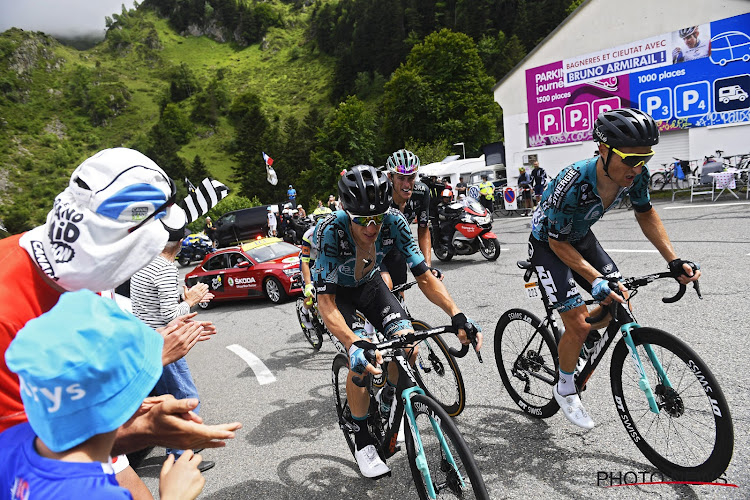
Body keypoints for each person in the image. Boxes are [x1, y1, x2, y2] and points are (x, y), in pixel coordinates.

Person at [0, 148, 241, 500]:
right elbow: (50, 464)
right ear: (119, 249)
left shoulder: (80, 262)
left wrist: (142, 428)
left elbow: (56, 444)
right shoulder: (9, 318)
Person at [528, 108, 700, 430]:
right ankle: (565, 387)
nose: (638, 167)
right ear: (603, 149)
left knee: (619, 298)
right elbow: (557, 243)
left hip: (580, 237)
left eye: (645, 158)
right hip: (548, 245)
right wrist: (594, 279)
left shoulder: (636, 174)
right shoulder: (574, 181)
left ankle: (578, 343)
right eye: (631, 159)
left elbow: (645, 213)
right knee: (579, 323)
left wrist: (673, 260)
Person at [312, 165, 482, 478]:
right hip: (341, 297)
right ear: (347, 212)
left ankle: (391, 403)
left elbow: (425, 277)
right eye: (363, 220)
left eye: (378, 216)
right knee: (362, 362)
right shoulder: (330, 231)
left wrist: (456, 314)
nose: (372, 227)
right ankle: (362, 437)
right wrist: (353, 343)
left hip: (370, 284)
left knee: (410, 348)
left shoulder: (394, 221)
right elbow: (326, 303)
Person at [0, 290, 206, 500]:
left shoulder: (11, 442)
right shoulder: (99, 493)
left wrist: (141, 432)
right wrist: (174, 495)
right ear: (116, 404)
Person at [130, 230, 216, 472]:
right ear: (180, 243)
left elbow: (151, 302)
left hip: (145, 339)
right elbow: (169, 315)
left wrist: (182, 298)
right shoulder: (166, 268)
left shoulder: (143, 261)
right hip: (164, 341)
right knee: (184, 396)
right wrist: (191, 301)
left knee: (161, 398)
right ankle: (180, 458)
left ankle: (180, 442)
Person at [380, 149, 439, 293]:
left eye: (411, 177)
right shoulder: (380, 194)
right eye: (401, 178)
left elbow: (423, 229)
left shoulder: (422, 192)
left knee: (400, 290)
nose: (407, 184)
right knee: (386, 286)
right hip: (375, 248)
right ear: (390, 177)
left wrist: (428, 265)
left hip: (398, 248)